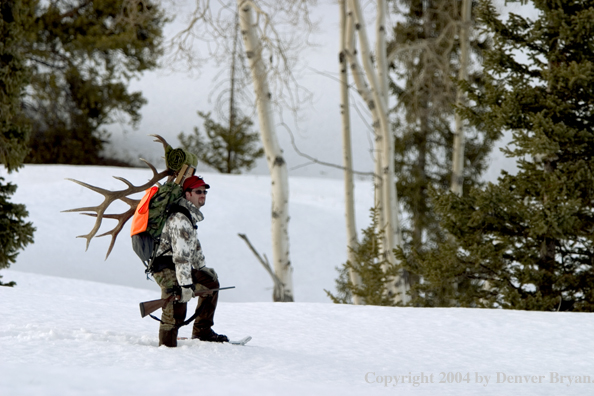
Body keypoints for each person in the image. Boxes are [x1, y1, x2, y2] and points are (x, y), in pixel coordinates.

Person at [151, 175, 228, 347]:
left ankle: (202, 331)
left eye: (204, 192)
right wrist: (186, 286)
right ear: (187, 194)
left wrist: (203, 268)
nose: (203, 195)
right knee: (175, 305)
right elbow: (181, 256)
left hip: (176, 265)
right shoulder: (180, 219)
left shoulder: (188, 216)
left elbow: (194, 246)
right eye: (198, 191)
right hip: (166, 267)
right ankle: (166, 346)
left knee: (210, 283)